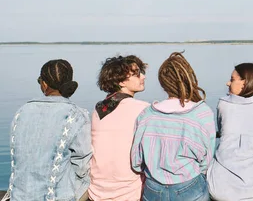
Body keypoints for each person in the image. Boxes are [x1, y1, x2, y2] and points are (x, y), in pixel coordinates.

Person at [3, 59, 92, 201]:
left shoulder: (22, 111)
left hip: (18, 196)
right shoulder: (77, 115)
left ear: (44, 84)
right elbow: (82, 164)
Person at [131, 52, 215, 201]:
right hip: (190, 185)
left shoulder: (147, 115)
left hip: (153, 188)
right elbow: (206, 160)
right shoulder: (202, 113)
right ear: (188, 78)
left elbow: (136, 161)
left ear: (163, 83)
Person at [207, 63, 253, 201]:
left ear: (245, 83)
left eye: (232, 79)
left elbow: (221, 131)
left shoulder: (223, 104)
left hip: (221, 190)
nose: (227, 83)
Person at [88, 55, 150, 201]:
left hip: (96, 190)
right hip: (129, 192)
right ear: (121, 81)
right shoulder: (144, 110)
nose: (143, 76)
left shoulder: (97, 110)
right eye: (137, 74)